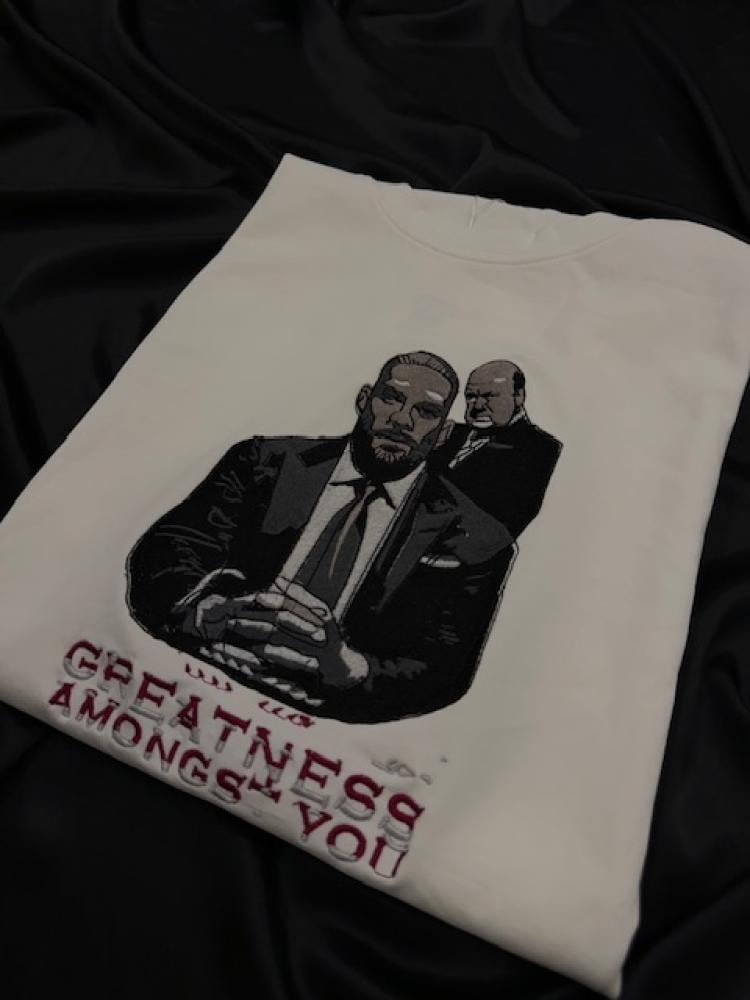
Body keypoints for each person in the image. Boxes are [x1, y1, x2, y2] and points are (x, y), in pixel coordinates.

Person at [126, 351, 518, 724]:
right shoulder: (262, 461)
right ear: (364, 400)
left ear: (444, 432)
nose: (401, 420)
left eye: (426, 412)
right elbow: (166, 553)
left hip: (326, 722)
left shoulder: (480, 539)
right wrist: (204, 611)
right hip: (196, 672)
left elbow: (444, 669)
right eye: (392, 398)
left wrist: (350, 668)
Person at [433, 360, 562, 539]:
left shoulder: (541, 448)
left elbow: (501, 522)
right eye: (470, 396)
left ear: (518, 396)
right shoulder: (450, 433)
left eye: (489, 396)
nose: (478, 406)